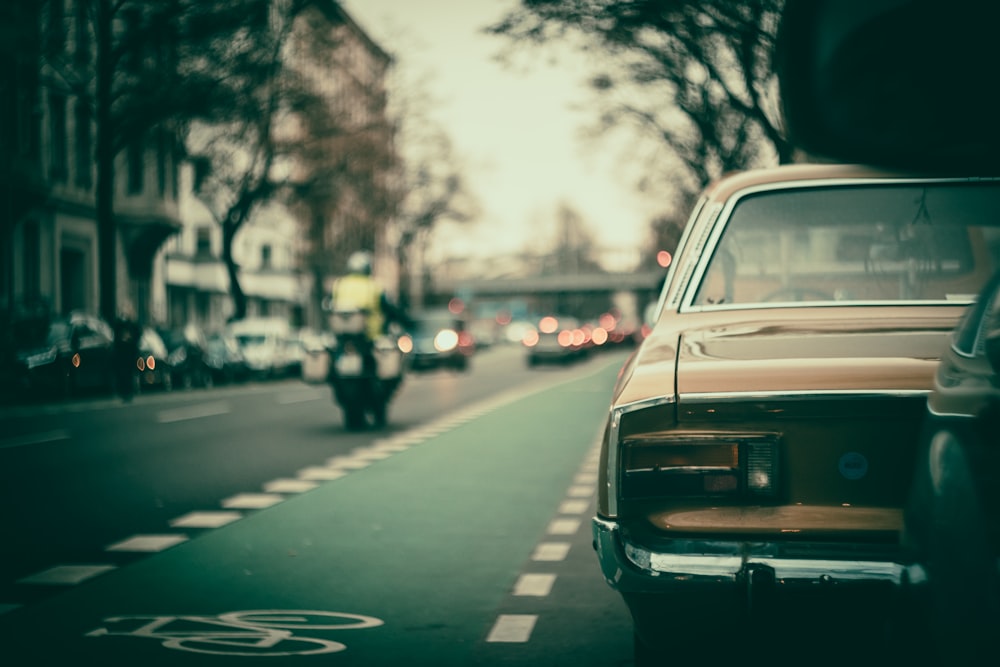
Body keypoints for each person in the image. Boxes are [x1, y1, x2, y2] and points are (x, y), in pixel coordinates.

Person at [329, 251, 409, 373]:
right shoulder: (374, 286)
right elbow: (389, 307)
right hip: (370, 334)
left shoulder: (339, 284)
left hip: (342, 334)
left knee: (336, 356)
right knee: (378, 362)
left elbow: (329, 304)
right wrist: (401, 317)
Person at [112, 307, 141, 401]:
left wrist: (131, 341)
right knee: (122, 373)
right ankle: (123, 392)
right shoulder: (119, 325)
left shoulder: (132, 325)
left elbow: (137, 335)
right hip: (121, 353)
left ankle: (128, 392)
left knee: (128, 373)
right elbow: (116, 337)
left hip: (129, 353)